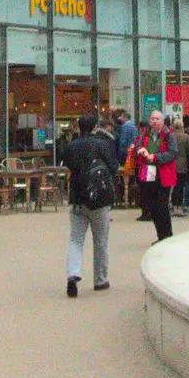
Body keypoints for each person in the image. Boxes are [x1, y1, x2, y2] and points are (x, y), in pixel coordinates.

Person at [61, 113, 118, 297]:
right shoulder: (102, 144)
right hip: (99, 198)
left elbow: (68, 165)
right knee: (101, 240)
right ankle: (100, 280)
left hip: (77, 197)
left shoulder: (71, 146)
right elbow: (113, 167)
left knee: (76, 239)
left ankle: (73, 273)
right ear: (95, 127)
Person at [134, 110, 176, 241]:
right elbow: (137, 146)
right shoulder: (144, 135)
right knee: (152, 206)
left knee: (162, 207)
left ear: (162, 122)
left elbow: (173, 153)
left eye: (157, 119)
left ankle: (167, 236)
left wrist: (156, 157)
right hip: (148, 174)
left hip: (163, 174)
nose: (154, 121)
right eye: (152, 118)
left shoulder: (169, 135)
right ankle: (160, 236)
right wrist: (140, 150)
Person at [170, 112, 189, 216]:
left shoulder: (170, 136)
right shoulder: (185, 136)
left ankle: (174, 207)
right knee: (181, 186)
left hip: (172, 164)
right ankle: (179, 207)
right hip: (182, 164)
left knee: (173, 186)